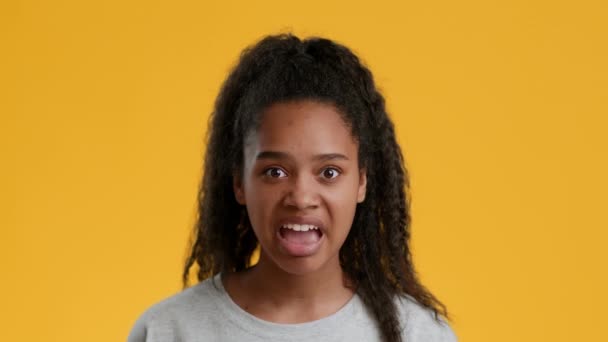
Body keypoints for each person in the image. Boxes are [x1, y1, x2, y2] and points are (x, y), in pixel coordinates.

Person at [128, 33, 457, 342]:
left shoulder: (417, 334)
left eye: (329, 172)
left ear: (361, 182)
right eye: (274, 171)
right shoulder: (169, 330)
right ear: (239, 183)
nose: (301, 198)